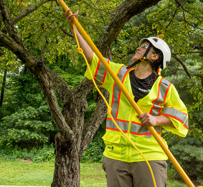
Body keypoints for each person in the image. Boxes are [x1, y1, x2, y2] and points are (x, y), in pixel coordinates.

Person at [65, 10, 188, 187]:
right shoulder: (118, 74)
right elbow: (92, 57)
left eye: (144, 47)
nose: (138, 48)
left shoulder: (165, 87)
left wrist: (156, 119)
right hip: (116, 155)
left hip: (149, 156)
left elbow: (182, 119)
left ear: (155, 56)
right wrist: (74, 29)